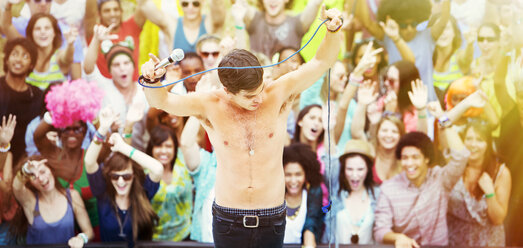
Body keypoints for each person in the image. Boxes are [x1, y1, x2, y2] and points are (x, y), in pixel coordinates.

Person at [140, 8, 344, 248]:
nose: (258, 99)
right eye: (249, 97)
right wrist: (152, 80)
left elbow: (322, 62)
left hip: (273, 217)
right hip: (229, 218)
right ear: (227, 91)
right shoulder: (210, 104)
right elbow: (162, 101)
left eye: (259, 90)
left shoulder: (276, 92)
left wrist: (332, 30)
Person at [373, 129, 469, 247]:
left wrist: (444, 120)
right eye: (405, 158)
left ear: (426, 158)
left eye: (415, 157)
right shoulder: (389, 188)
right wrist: (398, 237)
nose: (409, 163)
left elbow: (462, 157)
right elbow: (380, 231)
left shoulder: (440, 179)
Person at [83, 107, 163, 247]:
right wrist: (102, 129)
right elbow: (89, 162)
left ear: (133, 176)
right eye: (115, 176)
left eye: (126, 176)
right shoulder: (103, 193)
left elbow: (158, 169)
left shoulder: (142, 193)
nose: (120, 181)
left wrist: (123, 148)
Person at [447, 123, 511, 246]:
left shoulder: (501, 173)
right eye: (469, 139)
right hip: (455, 240)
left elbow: (498, 219)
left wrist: (490, 193)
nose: (473, 144)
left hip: (487, 242)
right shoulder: (455, 167)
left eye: (479, 140)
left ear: (488, 144)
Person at [11, 156, 94, 247]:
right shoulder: (30, 201)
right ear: (29, 183)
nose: (41, 179)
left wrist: (81, 238)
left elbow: (89, 232)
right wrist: (26, 170)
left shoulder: (72, 196)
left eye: (43, 172)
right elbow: (16, 187)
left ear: (51, 170)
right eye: (34, 177)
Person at [323, 139, 379, 245]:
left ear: (368, 169)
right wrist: (329, 130)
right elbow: (330, 160)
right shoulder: (336, 193)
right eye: (349, 169)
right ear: (343, 169)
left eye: (360, 169)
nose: (354, 175)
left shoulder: (377, 195)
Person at [0, 38, 42, 165]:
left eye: (25, 56)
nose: (18, 59)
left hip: (26, 161)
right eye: (14, 54)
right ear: (7, 60)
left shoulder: (37, 96)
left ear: (31, 64)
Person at [147, 125, 193, 241]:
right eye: (158, 146)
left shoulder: (183, 163)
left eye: (168, 146)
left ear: (175, 148)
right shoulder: (144, 173)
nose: (163, 151)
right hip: (154, 239)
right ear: (151, 148)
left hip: (185, 236)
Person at [232, 0, 324, 58]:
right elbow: (239, 3)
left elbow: (315, 3)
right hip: (256, 82)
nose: (272, 1)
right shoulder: (253, 19)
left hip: (287, 84)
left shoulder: (297, 24)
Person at [282, 143, 324, 246]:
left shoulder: (312, 194)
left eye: (298, 174)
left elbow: (311, 223)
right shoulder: (274, 197)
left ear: (306, 175)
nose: (293, 180)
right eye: (288, 175)